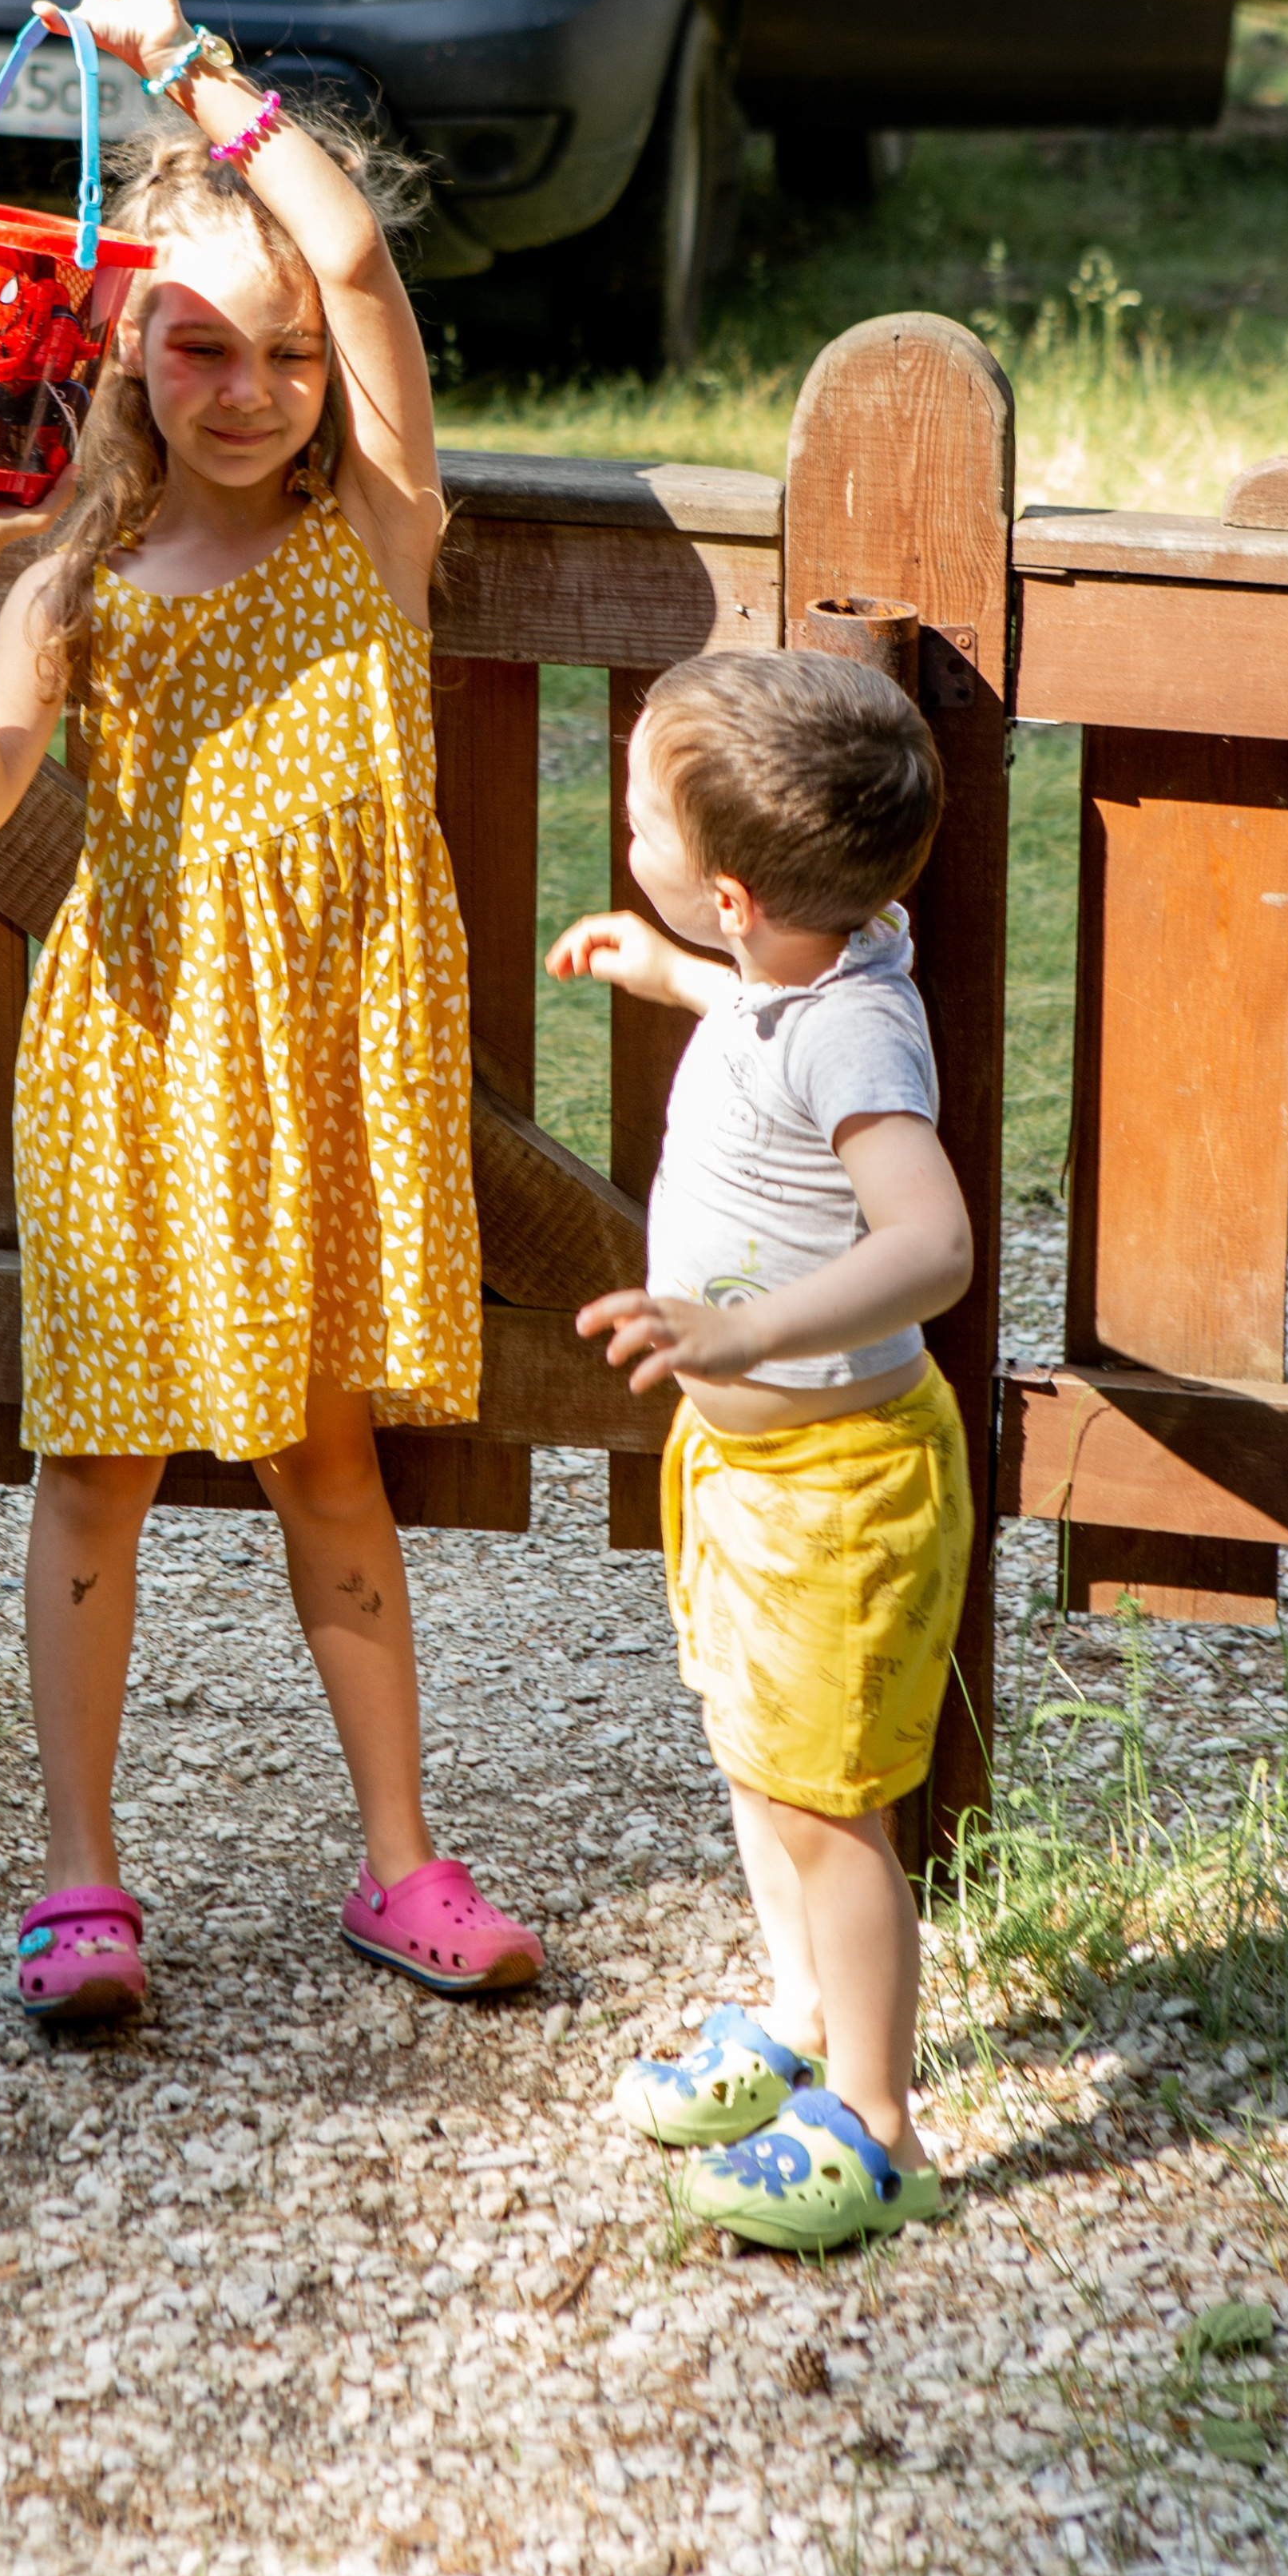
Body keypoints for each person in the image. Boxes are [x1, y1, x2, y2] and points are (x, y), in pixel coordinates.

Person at [0, 0, 542, 2025]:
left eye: (283, 354)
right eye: (201, 340)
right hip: (139, 1051)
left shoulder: (378, 531)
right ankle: (78, 1880)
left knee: (326, 1465)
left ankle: (400, 1862)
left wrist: (180, 64)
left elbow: (348, 251)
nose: (257, 381)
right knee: (94, 1467)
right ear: (123, 347)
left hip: (322, 1060)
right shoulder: (79, 578)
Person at [547, 652, 973, 2249]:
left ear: (727, 889)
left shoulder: (856, 1034)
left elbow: (928, 1246)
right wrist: (675, 980)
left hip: (839, 1484)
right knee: (760, 1756)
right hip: (748, 1477)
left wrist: (739, 1332)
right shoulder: (811, 965)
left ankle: (871, 2125)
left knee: (828, 1805)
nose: (622, 835)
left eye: (639, 822)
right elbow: (774, 1008)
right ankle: (795, 2015)